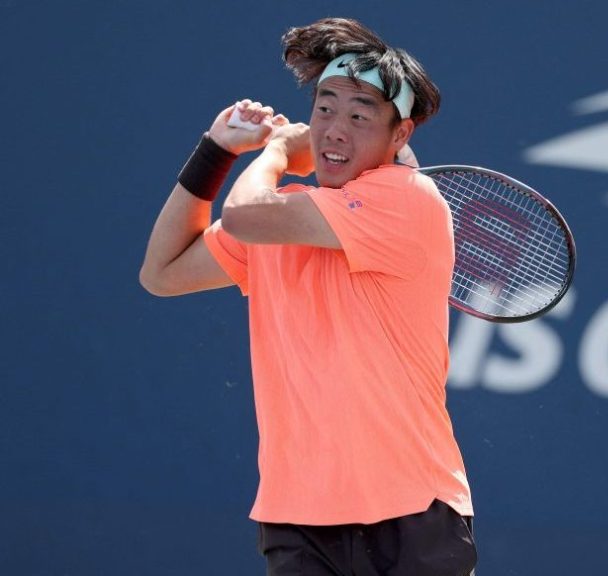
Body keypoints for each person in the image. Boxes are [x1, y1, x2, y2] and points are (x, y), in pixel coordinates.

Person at [139, 17, 475, 576]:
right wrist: (214, 151)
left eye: (359, 116)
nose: (334, 130)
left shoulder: (408, 199)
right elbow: (162, 272)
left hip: (412, 510)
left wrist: (273, 152)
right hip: (297, 518)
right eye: (324, 109)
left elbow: (244, 215)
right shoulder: (285, 218)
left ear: (400, 136)